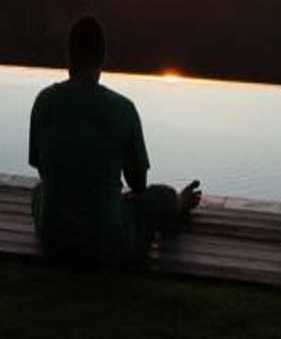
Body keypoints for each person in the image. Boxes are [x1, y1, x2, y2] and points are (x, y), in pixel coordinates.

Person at [28, 15, 202, 266]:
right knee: (161, 195)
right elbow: (139, 186)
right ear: (103, 57)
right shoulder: (123, 109)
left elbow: (42, 169)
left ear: (69, 55)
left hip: (54, 239)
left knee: (39, 191)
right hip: (108, 243)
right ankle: (180, 203)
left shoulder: (43, 101)